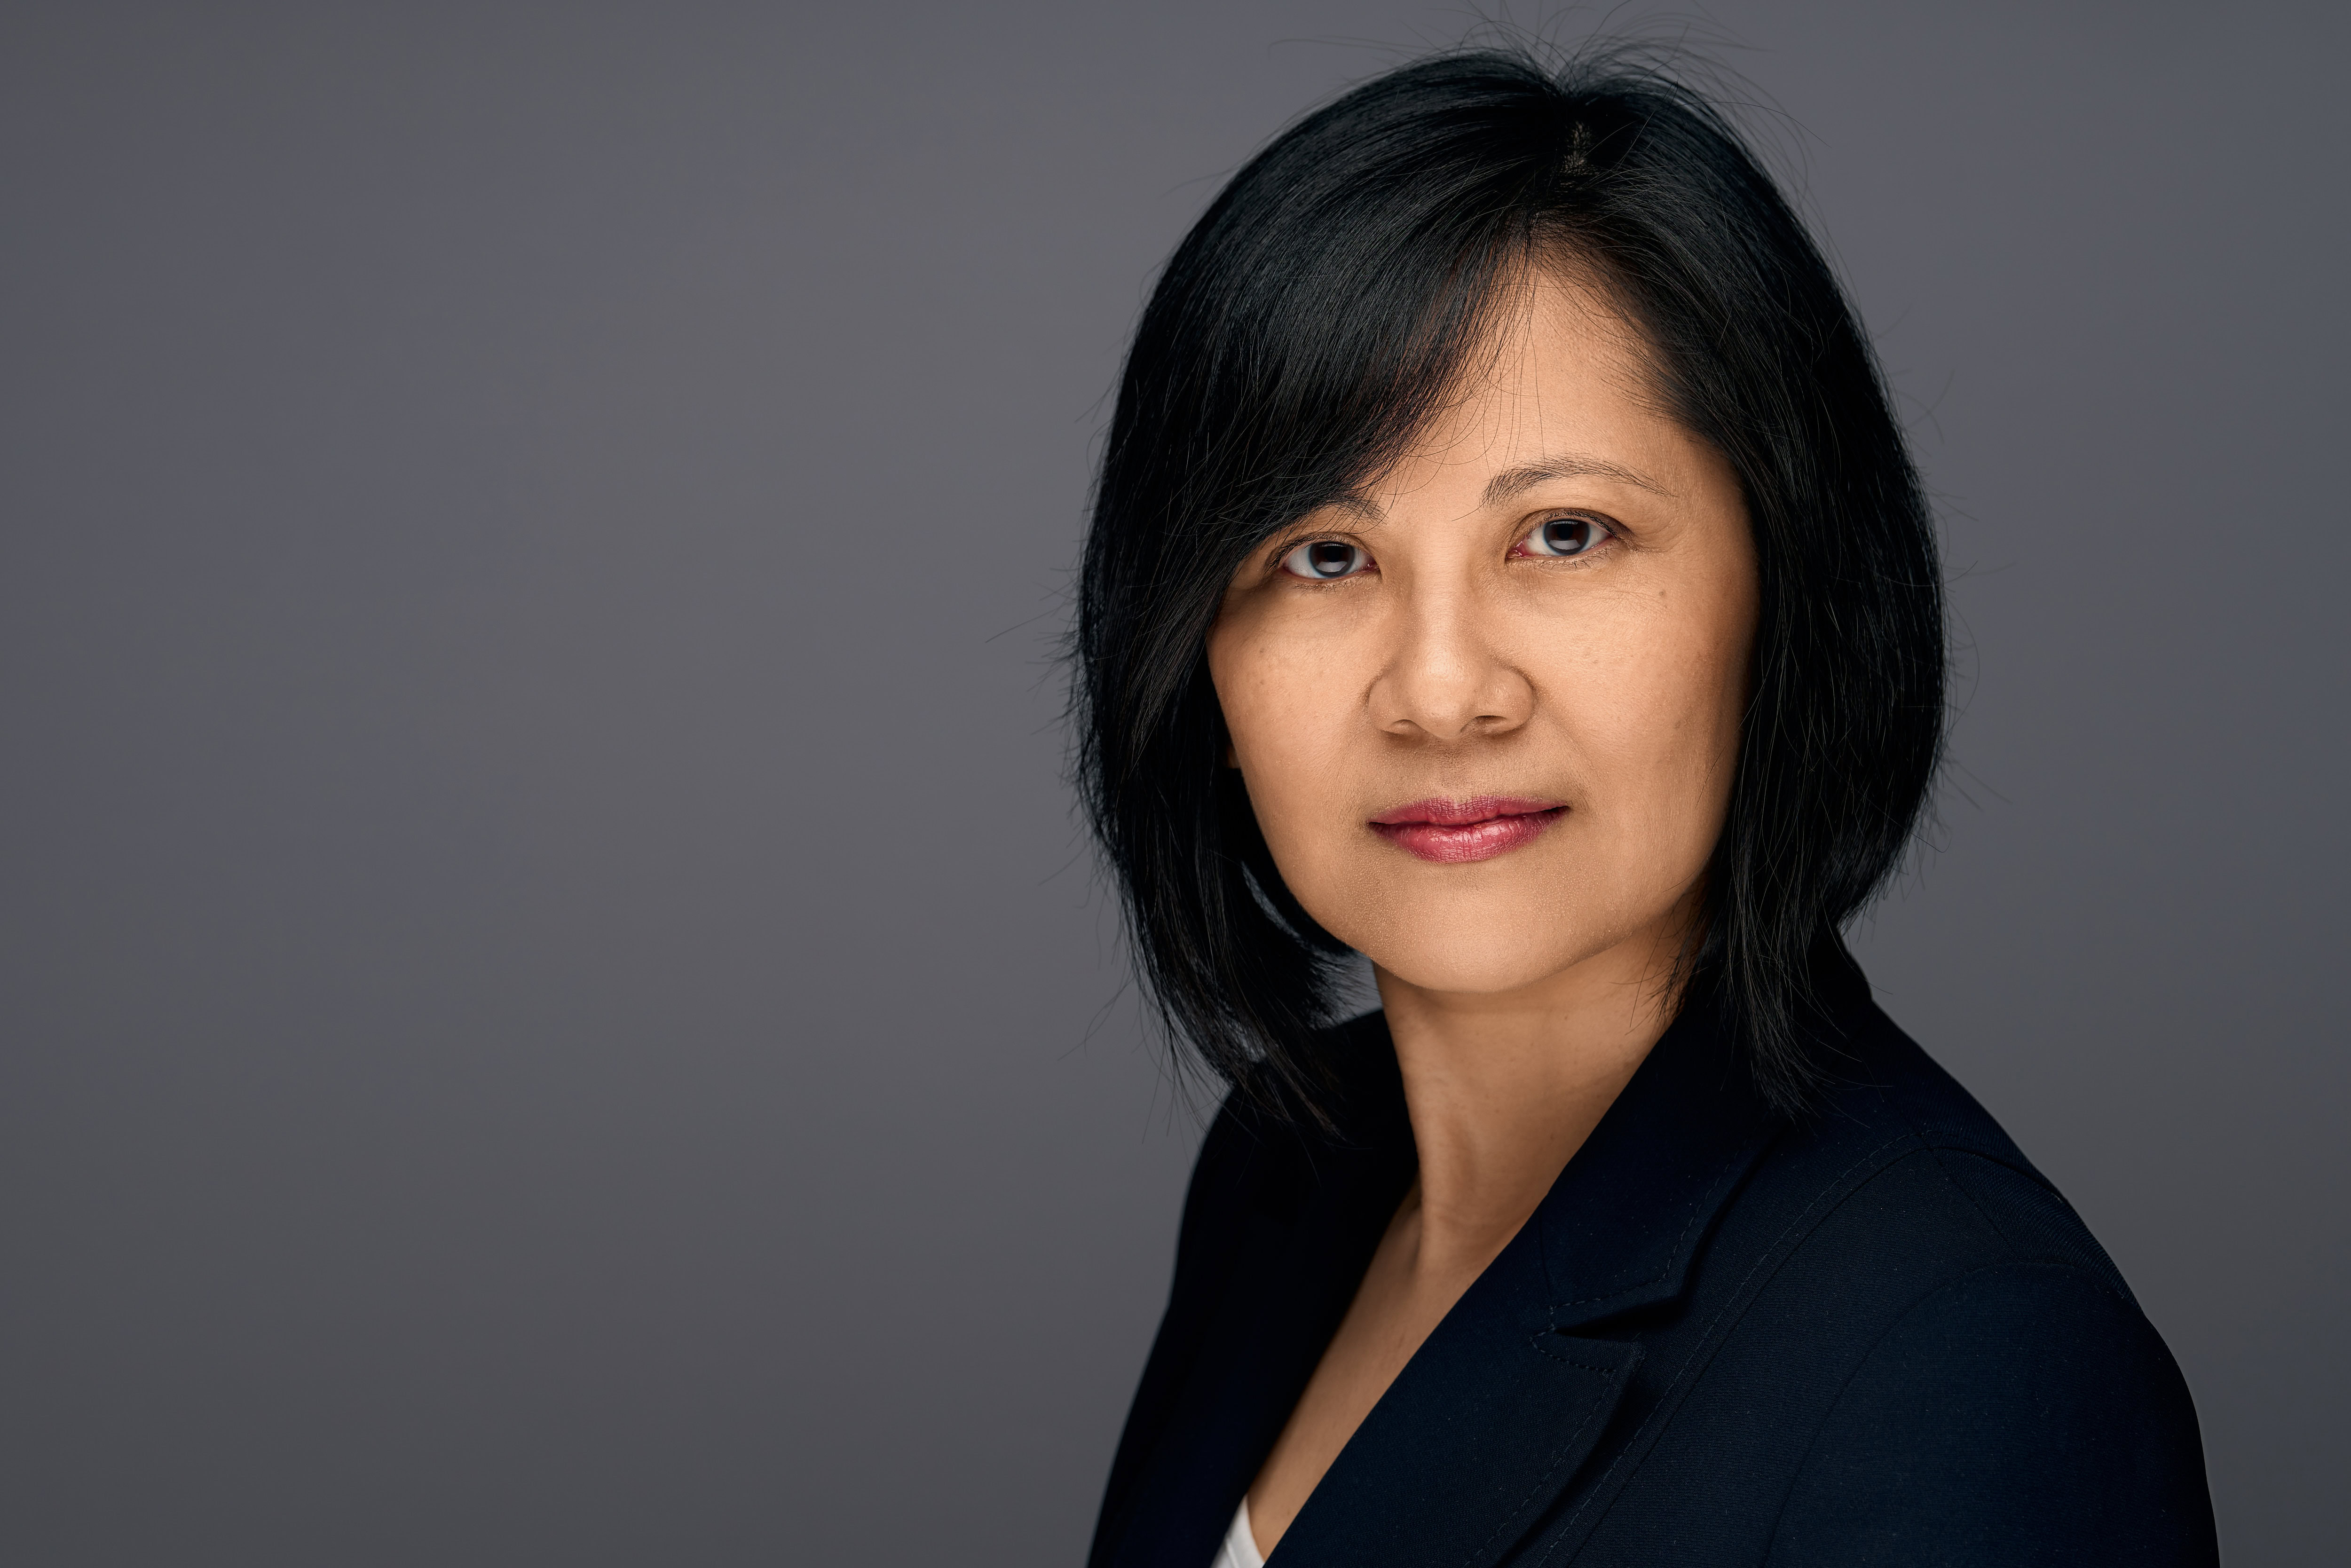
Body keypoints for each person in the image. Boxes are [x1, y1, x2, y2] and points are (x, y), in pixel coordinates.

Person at [1071, 47, 2217, 1568]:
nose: (1442, 692)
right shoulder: (1287, 1173)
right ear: (1193, 662)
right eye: (1324, 557)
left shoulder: (1966, 1356)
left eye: (1565, 534)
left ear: (1783, 589)